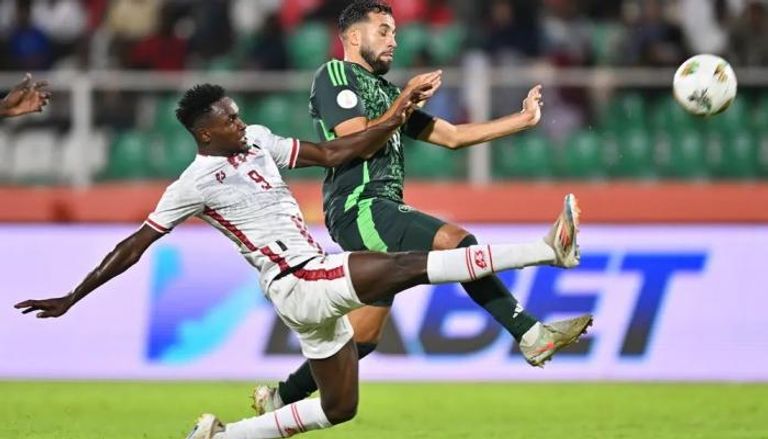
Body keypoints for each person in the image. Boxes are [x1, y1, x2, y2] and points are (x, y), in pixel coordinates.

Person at [15, 83, 587, 439]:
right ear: (204, 133)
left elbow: (334, 151)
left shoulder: (259, 141)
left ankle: (224, 437)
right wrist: (73, 296)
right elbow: (135, 245)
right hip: (296, 279)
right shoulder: (193, 183)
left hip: (307, 286)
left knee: (339, 408)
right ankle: (547, 250)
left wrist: (394, 115)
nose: (240, 123)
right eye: (229, 120)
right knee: (405, 265)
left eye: (238, 114)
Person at [253, 0, 591, 413]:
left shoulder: (386, 93)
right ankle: (530, 332)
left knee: (363, 337)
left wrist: (521, 120)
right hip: (359, 205)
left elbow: (451, 136)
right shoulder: (335, 75)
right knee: (456, 241)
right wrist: (403, 104)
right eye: (383, 31)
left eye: (395, 32)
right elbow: (357, 140)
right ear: (354, 36)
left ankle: (281, 397)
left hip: (379, 206)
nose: (394, 41)